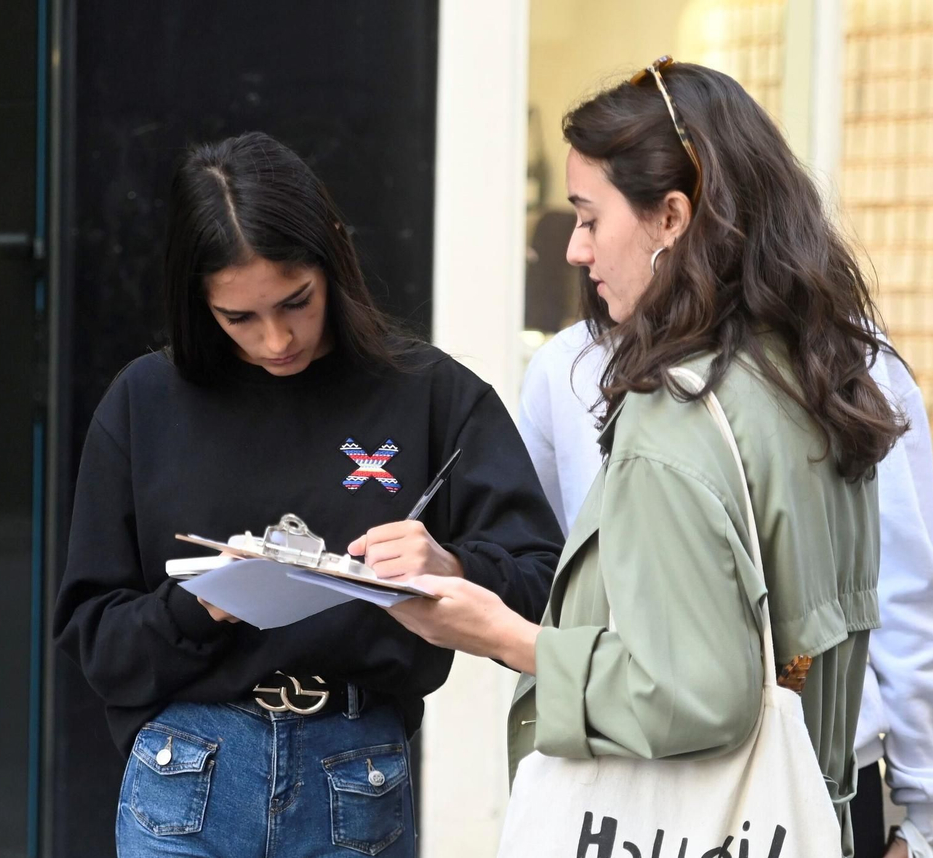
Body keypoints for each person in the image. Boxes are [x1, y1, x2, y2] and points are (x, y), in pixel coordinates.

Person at [386, 58, 906, 857]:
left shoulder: (679, 420)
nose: (575, 250)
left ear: (670, 217)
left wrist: (500, 634)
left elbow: (689, 694)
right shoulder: (811, 379)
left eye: (590, 219)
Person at [52, 131, 562, 857]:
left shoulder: (430, 394)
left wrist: (451, 568)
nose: (275, 340)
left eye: (296, 301)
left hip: (356, 774)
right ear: (199, 302)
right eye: (239, 318)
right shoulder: (145, 401)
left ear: (333, 256)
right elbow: (95, 641)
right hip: (186, 771)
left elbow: (550, 594)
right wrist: (202, 604)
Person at [521, 323, 933, 858]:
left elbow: (902, 587)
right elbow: (557, 576)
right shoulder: (567, 363)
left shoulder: (832, 347)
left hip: (796, 774)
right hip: (623, 770)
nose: (583, 266)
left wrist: (926, 817)